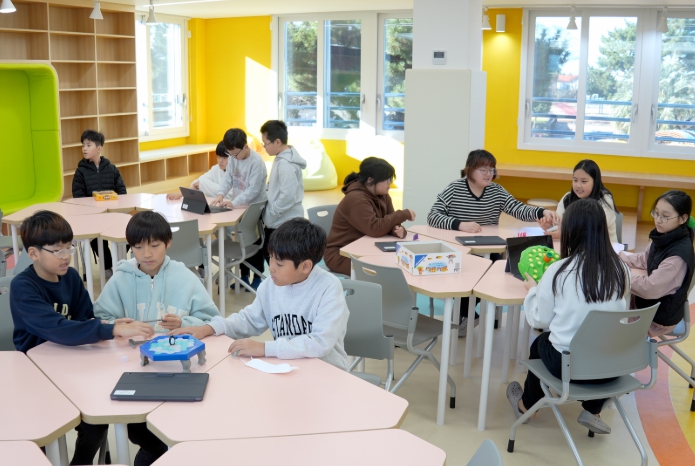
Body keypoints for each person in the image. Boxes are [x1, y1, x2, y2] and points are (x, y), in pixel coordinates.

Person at [9, 211, 165, 466]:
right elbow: (57, 329)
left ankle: (143, 450)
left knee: (101, 412)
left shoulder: (70, 277)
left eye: (69, 247)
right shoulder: (23, 287)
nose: (66, 256)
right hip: (37, 374)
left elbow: (84, 319)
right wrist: (109, 330)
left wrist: (109, 325)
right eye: (57, 250)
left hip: (72, 363)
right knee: (55, 430)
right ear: (34, 253)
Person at [506, 199, 631, 435]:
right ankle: (593, 410)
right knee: (595, 343)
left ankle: (527, 406)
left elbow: (539, 320)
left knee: (540, 344)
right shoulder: (621, 269)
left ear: (571, 231)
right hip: (612, 366)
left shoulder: (559, 270)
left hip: (570, 367)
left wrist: (532, 290)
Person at [170, 218, 349, 370]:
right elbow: (249, 319)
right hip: (288, 369)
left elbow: (319, 343)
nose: (271, 268)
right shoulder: (271, 284)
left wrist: (264, 348)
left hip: (327, 373)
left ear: (306, 266)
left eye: (279, 264)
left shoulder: (328, 288)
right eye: (270, 258)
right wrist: (210, 327)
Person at [427, 149, 560, 336]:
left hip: (488, 249)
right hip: (460, 250)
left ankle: (467, 315)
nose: (488, 174)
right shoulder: (455, 188)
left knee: (495, 273)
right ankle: (467, 315)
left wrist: (542, 212)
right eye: (483, 169)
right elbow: (433, 216)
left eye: (491, 170)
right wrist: (460, 225)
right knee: (466, 274)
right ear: (469, 170)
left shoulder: (496, 191)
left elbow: (517, 208)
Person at [94, 211, 220, 331]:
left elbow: (211, 321)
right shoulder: (120, 279)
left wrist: (183, 324)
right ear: (131, 246)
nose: (147, 254)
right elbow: (98, 319)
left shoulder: (186, 278)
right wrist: (116, 327)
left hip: (174, 345)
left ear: (168, 242)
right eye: (138, 247)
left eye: (154, 246)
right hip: (131, 346)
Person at [619, 190, 695, 337]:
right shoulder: (664, 236)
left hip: (657, 320)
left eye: (665, 216)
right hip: (649, 305)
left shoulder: (677, 257)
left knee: (608, 321)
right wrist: (617, 255)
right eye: (656, 213)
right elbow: (645, 260)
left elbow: (649, 288)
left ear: (683, 218)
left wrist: (620, 274)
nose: (658, 220)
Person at [325, 157, 416, 276]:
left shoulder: (383, 195)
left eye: (391, 179)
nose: (389, 183)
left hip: (367, 248)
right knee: (382, 272)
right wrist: (404, 214)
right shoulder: (356, 199)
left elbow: (390, 221)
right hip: (340, 254)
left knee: (398, 263)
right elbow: (375, 228)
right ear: (370, 180)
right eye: (387, 179)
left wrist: (397, 230)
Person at [210, 128, 268, 290]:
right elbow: (228, 178)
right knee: (240, 239)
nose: (233, 158)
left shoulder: (256, 162)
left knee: (252, 239)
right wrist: (221, 194)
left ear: (245, 147)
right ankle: (243, 275)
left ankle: (257, 276)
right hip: (239, 206)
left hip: (254, 207)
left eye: (235, 154)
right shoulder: (233, 157)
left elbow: (253, 190)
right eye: (230, 154)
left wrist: (234, 202)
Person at [72, 129, 127, 280]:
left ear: (99, 148)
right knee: (96, 238)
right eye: (83, 145)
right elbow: (78, 197)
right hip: (92, 217)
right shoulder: (80, 172)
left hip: (113, 214)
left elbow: (122, 192)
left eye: (88, 145)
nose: (84, 148)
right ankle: (108, 266)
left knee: (130, 231)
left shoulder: (112, 169)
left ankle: (120, 263)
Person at [259, 120, 307, 264]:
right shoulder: (281, 159)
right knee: (272, 257)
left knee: (278, 261)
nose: (264, 147)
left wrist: (272, 213)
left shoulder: (285, 164)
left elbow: (288, 196)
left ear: (277, 142)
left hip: (284, 223)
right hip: (281, 220)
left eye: (265, 143)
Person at [550, 159, 619, 243]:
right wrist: (549, 226)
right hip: (573, 246)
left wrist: (564, 234)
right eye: (575, 180)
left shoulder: (605, 201)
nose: (578, 185)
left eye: (584, 181)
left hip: (602, 248)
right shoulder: (567, 198)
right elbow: (558, 224)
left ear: (595, 182)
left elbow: (591, 231)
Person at [166, 141, 233, 202]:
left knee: (202, 183)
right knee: (200, 182)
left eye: (224, 158)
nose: (220, 161)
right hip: (218, 203)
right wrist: (181, 194)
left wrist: (203, 184)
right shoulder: (216, 168)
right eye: (218, 157)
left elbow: (230, 194)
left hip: (232, 203)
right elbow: (198, 182)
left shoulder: (235, 171)